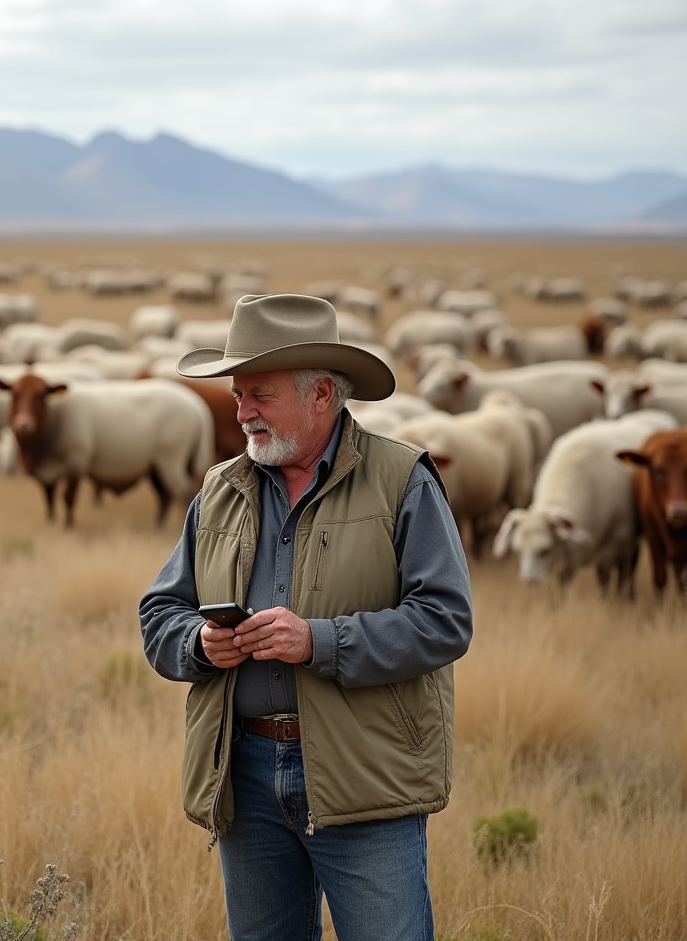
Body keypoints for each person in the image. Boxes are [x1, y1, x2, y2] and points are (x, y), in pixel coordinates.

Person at [139, 293, 473, 941]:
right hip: (246, 775)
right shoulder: (221, 489)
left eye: (258, 395)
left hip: (366, 774)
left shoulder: (401, 480)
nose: (241, 413)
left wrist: (318, 641)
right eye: (238, 395)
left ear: (321, 393)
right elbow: (160, 613)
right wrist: (202, 644)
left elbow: (445, 620)